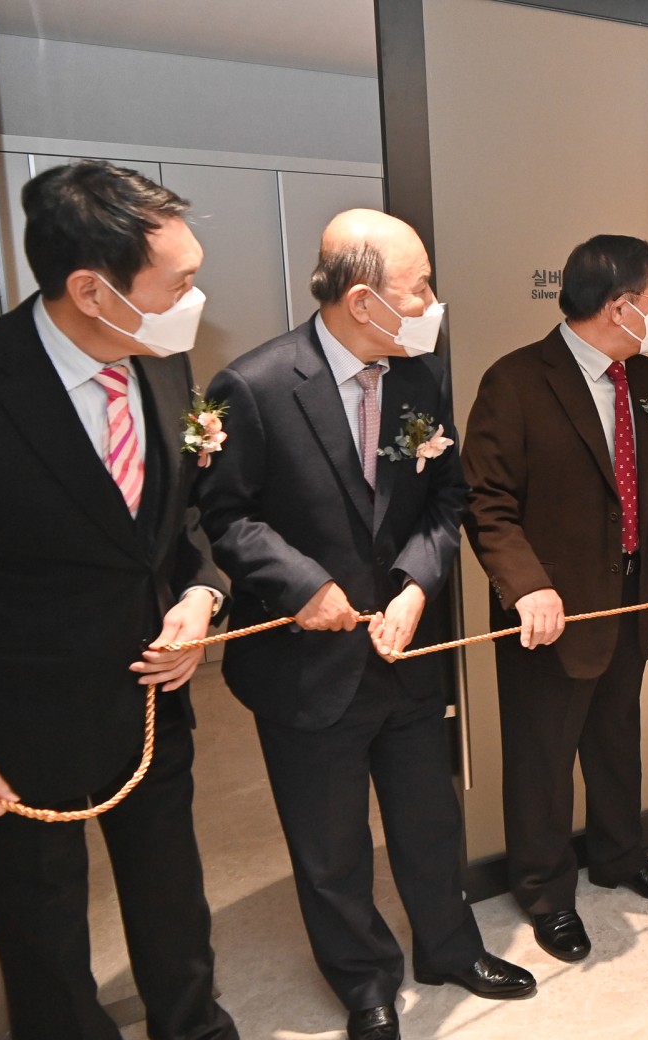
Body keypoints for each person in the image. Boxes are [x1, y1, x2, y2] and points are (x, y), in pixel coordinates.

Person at [197, 210, 533, 1040]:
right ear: (361, 300)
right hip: (307, 665)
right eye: (419, 287)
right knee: (331, 842)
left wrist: (417, 584)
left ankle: (450, 948)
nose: (431, 302)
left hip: (407, 649)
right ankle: (365, 981)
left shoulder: (420, 375)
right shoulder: (255, 385)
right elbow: (226, 517)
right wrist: (303, 586)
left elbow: (447, 496)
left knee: (429, 818)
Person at [0, 160, 237, 1039]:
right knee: (45, 942)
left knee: (173, 901)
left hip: (150, 703)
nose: (196, 299)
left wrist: (201, 596)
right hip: (13, 730)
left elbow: (182, 524)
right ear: (91, 290)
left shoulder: (164, 367)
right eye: (178, 283)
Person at [462, 234, 648, 964]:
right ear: (619, 306)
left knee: (616, 740)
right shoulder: (515, 381)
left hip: (628, 601)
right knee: (542, 758)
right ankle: (545, 892)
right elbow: (486, 504)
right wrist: (527, 586)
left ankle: (620, 855)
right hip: (547, 614)